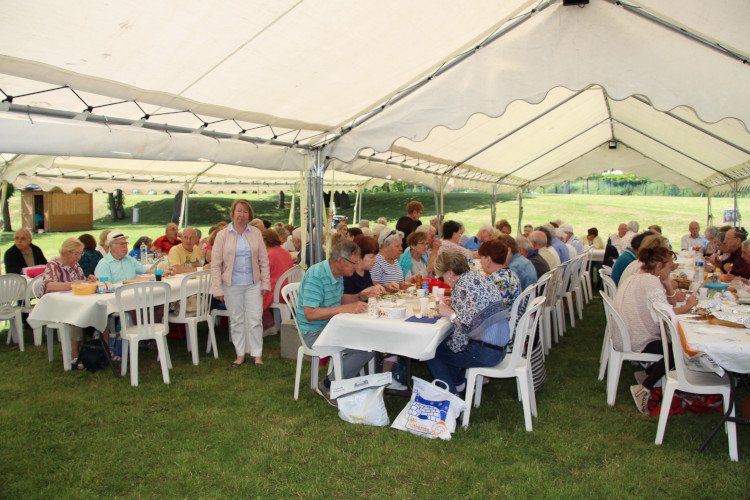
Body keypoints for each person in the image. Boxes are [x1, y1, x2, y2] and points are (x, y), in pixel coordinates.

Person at [615, 246, 697, 414]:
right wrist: (688, 307)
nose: (671, 270)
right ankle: (645, 388)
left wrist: (667, 283)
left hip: (627, 334)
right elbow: (665, 315)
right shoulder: (650, 281)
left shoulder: (639, 277)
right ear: (659, 266)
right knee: (680, 348)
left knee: (674, 343)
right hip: (638, 338)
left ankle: (650, 373)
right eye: (669, 267)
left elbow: (664, 308)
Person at [296, 240, 370, 406]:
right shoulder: (317, 276)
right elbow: (310, 314)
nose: (357, 266)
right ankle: (328, 385)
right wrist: (347, 308)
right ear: (340, 261)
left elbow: (340, 299)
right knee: (366, 346)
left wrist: (361, 296)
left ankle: (337, 383)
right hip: (314, 332)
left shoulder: (337, 274)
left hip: (332, 326)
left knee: (370, 341)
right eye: (355, 262)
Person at [426, 250, 511, 394]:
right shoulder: (477, 277)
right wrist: (457, 305)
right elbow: (476, 309)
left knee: (431, 352)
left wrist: (451, 314)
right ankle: (459, 383)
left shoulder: (462, 287)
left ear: (451, 273)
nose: (443, 280)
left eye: (443, 277)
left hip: (486, 352)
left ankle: (451, 397)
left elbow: (473, 333)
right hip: (500, 346)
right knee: (447, 343)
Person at [211, 199, 271, 367]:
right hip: (231, 285)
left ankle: (257, 354)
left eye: (245, 212)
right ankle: (240, 354)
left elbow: (263, 260)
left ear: (249, 215)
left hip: (253, 283)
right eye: (239, 211)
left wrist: (265, 283)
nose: (242, 215)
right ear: (232, 213)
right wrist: (218, 289)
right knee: (236, 320)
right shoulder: (222, 235)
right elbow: (215, 264)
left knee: (255, 319)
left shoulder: (256, 233)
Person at [42, 238, 97, 365]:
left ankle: (100, 346)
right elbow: (49, 286)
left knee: (93, 309)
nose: (79, 256)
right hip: (57, 306)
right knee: (76, 316)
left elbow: (81, 282)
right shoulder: (53, 265)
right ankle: (74, 354)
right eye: (76, 253)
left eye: (80, 253)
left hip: (74, 302)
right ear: (65, 252)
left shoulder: (76, 265)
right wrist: (72, 284)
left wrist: (89, 279)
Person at [95, 231, 168, 283]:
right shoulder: (104, 264)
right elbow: (105, 287)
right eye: (121, 244)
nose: (125, 246)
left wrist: (164, 272)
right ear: (111, 246)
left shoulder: (129, 260)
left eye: (126, 243)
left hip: (134, 297)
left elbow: (147, 271)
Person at [261, 229, 294, 330]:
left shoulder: (269, 255)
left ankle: (267, 325)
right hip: (288, 290)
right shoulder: (285, 252)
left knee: (253, 294)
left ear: (265, 241)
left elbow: (262, 274)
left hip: (276, 291)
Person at [342, 236, 387, 304]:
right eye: (371, 257)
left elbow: (369, 293)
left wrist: (384, 287)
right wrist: (363, 294)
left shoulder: (366, 271)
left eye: (376, 256)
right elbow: (343, 301)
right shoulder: (348, 274)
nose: (375, 261)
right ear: (358, 256)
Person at [478, 239, 521, 310]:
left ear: (488, 260)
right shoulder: (509, 273)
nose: (480, 261)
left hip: (504, 319)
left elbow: (486, 309)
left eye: (481, 258)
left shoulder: (499, 281)